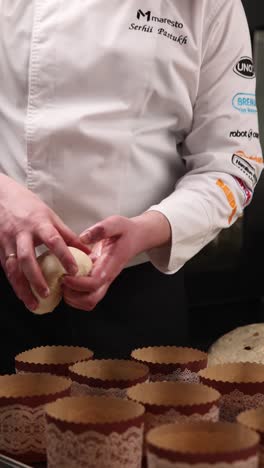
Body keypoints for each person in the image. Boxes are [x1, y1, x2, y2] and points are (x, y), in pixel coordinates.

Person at [0, 0, 262, 373]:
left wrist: (151, 228)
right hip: (4, 279)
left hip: (138, 290)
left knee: (144, 429)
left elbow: (232, 164)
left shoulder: (211, 5)